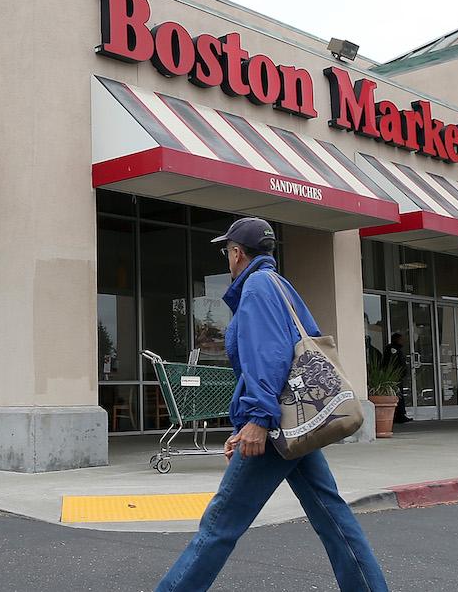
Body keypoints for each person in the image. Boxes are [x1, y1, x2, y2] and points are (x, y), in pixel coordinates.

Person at [157, 217, 388, 592]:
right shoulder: (279, 285)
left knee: (218, 526)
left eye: (227, 250)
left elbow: (267, 357)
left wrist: (258, 420)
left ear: (236, 253)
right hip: (293, 423)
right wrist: (245, 422)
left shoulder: (258, 287)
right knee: (331, 514)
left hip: (276, 424)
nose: (226, 257)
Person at [382, 333, 412, 423]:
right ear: (396, 339)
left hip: (398, 376)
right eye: (401, 339)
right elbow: (392, 363)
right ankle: (398, 416)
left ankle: (400, 414)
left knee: (399, 395)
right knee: (397, 396)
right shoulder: (392, 349)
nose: (402, 341)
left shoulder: (397, 349)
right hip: (394, 377)